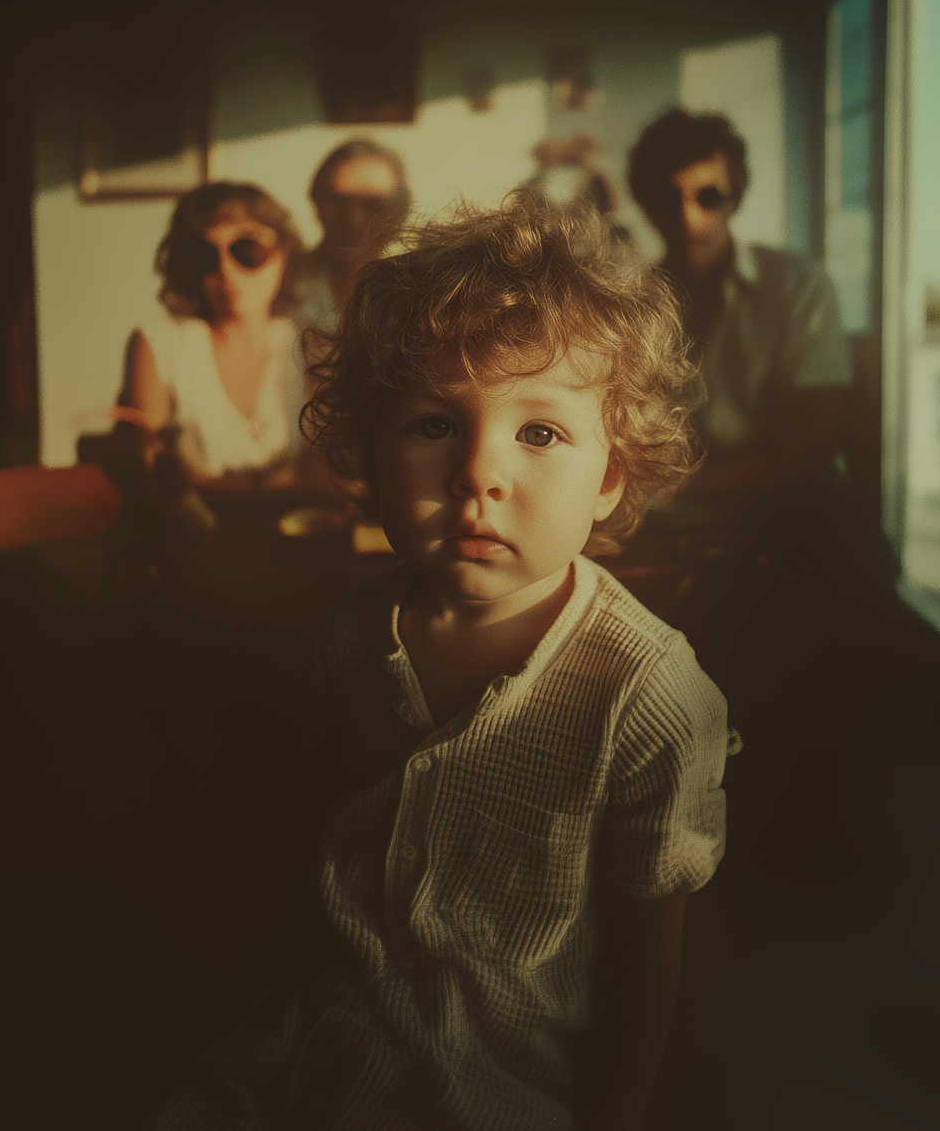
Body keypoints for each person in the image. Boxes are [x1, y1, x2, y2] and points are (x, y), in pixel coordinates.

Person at [162, 202, 729, 1131]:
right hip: (294, 1039)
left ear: (611, 476)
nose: (477, 472)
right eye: (433, 424)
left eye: (539, 433)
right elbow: (309, 846)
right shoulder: (351, 632)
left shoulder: (652, 696)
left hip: (484, 1085)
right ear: (370, 454)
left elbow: (648, 968)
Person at [627, 108, 852, 511]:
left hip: (785, 511)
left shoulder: (796, 286)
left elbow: (813, 445)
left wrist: (678, 489)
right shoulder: (630, 301)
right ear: (644, 203)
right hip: (668, 514)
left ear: (736, 195)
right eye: (667, 198)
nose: (688, 217)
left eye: (708, 197)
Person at [117, 182, 305, 481]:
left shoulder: (307, 343)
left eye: (246, 250)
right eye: (204, 255)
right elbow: (147, 476)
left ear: (284, 253)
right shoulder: (160, 345)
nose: (226, 269)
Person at [296, 139, 412, 334]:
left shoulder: (420, 289)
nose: (353, 219)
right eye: (337, 201)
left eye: (373, 204)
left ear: (401, 211)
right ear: (316, 204)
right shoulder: (278, 282)